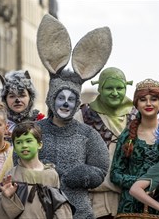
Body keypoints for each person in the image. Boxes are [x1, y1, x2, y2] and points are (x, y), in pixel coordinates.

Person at [36, 14, 111, 218]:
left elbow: (101, 168)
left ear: (77, 102)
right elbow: (20, 160)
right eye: (61, 98)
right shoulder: (36, 131)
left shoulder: (87, 134)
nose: (66, 103)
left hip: (78, 210)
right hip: (40, 209)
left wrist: (84, 175)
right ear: (52, 99)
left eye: (71, 99)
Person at [0, 122, 74, 219]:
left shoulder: (51, 174)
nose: (24, 145)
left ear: (39, 144)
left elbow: (59, 206)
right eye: (18, 142)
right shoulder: (12, 175)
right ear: (15, 148)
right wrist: (6, 197)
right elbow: (1, 209)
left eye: (29, 141)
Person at [81, 67, 137, 219]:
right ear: (100, 88)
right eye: (109, 88)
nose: (115, 93)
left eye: (119, 88)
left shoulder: (137, 115)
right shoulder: (84, 115)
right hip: (95, 199)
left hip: (130, 198)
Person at [110, 78, 159, 215]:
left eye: (153, 99)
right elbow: (115, 174)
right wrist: (141, 183)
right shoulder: (127, 136)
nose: (148, 103)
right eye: (143, 99)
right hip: (130, 206)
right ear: (136, 103)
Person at [0, 70, 44, 139]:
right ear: (5, 99)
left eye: (22, 95)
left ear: (30, 97)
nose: (17, 100)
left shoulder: (41, 122)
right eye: (12, 96)